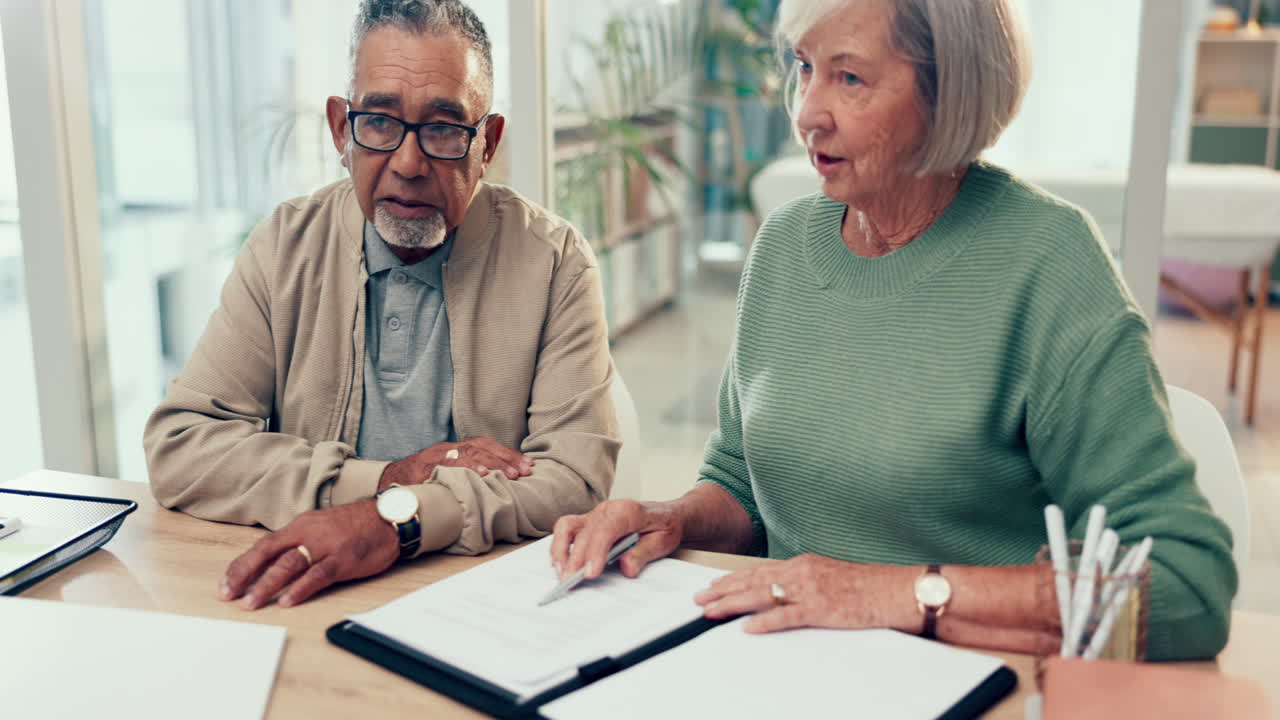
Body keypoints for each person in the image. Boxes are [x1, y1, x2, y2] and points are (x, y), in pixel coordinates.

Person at [551, 0, 1235, 661]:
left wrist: (896, 594)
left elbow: (1184, 586)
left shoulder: (1047, 263)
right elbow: (743, 482)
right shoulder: (785, 244)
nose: (806, 114)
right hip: (781, 669)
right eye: (803, 67)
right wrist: (671, 517)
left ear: (949, 91)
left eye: (849, 78)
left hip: (969, 683)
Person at [143, 0, 618, 611]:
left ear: (488, 143)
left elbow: (574, 483)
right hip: (312, 587)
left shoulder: (555, 262)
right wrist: (389, 480)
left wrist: (396, 520)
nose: (409, 163)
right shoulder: (285, 246)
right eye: (379, 122)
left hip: (486, 602)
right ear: (342, 130)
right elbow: (181, 446)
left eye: (445, 129)